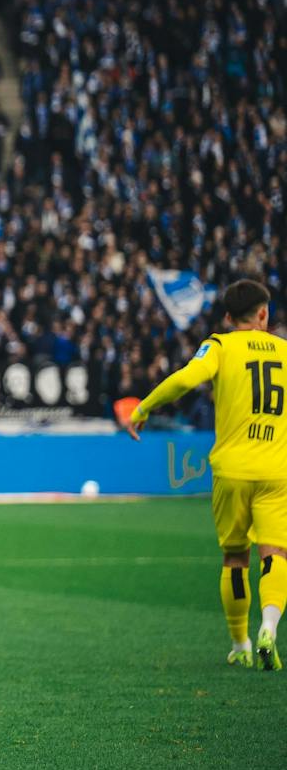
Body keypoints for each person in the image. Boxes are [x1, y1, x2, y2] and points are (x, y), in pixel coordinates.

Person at [128, 279, 287, 670]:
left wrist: (144, 407)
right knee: (276, 554)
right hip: (277, 470)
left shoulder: (220, 344)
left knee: (235, 558)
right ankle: (269, 625)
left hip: (232, 469)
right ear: (264, 314)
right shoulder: (285, 351)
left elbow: (185, 379)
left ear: (229, 318)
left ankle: (241, 643)